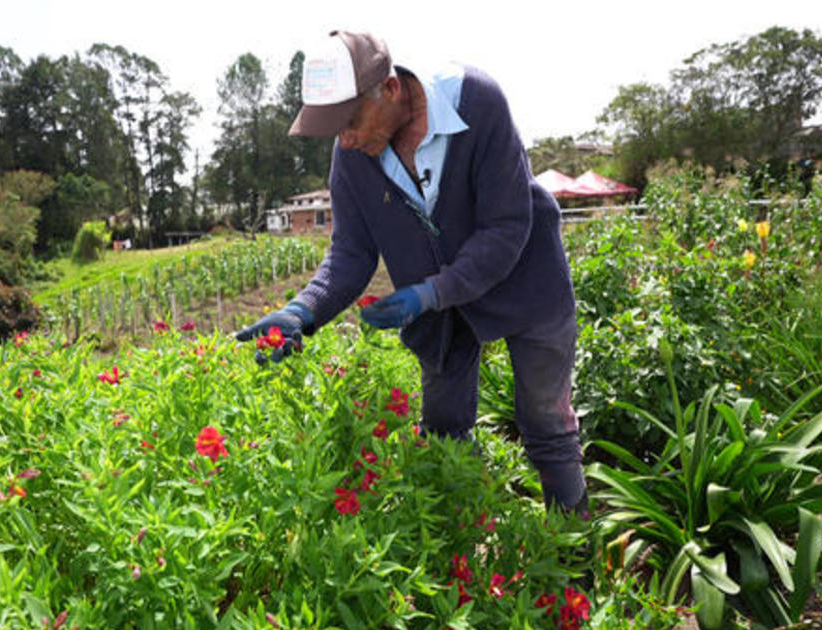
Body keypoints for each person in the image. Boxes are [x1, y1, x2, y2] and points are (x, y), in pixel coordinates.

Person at [234, 30, 587, 516]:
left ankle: (572, 553)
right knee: (444, 431)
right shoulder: (354, 157)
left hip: (526, 280)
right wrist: (301, 312)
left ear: (391, 90)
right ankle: (467, 554)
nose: (347, 139)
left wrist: (430, 293)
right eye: (336, 130)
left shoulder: (476, 103)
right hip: (439, 306)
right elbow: (350, 254)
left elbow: (507, 227)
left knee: (545, 420)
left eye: (350, 120)